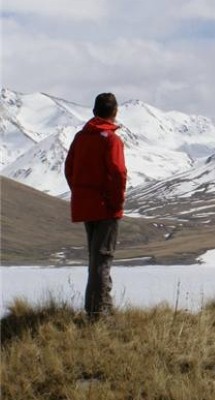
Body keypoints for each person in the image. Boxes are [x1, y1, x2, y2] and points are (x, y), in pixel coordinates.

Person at [65, 93, 127, 319]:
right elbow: (118, 172)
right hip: (105, 208)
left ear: (94, 111)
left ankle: (104, 308)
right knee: (102, 258)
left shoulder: (81, 137)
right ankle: (97, 315)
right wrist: (116, 202)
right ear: (115, 112)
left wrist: (80, 193)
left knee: (96, 258)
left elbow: (69, 168)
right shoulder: (111, 140)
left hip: (86, 206)